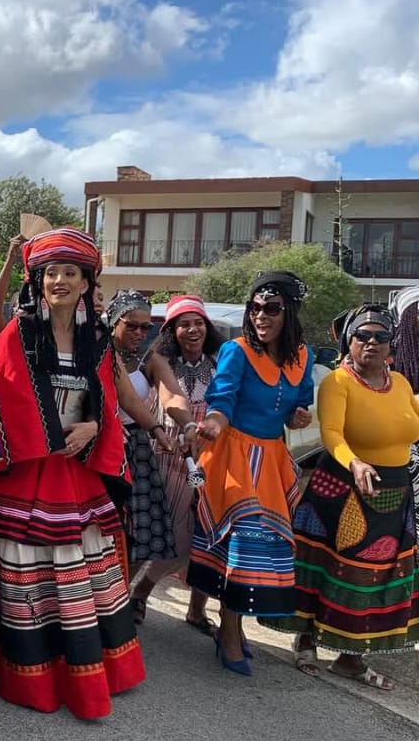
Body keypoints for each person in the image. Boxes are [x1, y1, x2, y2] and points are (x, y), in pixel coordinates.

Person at [0, 228, 145, 720]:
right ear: (38, 281)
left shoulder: (98, 340)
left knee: (76, 569)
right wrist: (49, 433)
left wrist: (93, 425)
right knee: (24, 563)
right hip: (28, 467)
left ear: (87, 282)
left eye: (70, 273)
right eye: (51, 273)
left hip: (77, 470)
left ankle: (82, 671)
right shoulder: (19, 333)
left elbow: (107, 396)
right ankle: (27, 671)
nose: (60, 281)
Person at [263, 306, 419, 686]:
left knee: (375, 576)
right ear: (349, 341)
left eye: (381, 336)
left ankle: (351, 658)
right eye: (363, 335)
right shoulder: (339, 381)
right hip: (343, 489)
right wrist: (356, 463)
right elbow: (331, 433)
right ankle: (306, 641)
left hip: (392, 494)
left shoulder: (399, 384)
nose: (372, 343)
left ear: (391, 344)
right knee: (326, 568)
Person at [189, 271, 314, 675]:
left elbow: (298, 405)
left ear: (289, 312)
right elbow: (222, 399)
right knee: (243, 546)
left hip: (271, 461)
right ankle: (229, 630)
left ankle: (232, 624)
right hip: (234, 456)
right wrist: (213, 422)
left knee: (256, 549)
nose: (261, 315)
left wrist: (297, 417)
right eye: (255, 308)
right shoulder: (237, 350)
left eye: (272, 308)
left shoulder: (303, 356)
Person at [127, 296, 223, 635]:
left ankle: (189, 608)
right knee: (155, 531)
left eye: (198, 323)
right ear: (171, 330)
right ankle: (130, 596)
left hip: (210, 458)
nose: (192, 330)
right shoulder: (158, 361)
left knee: (203, 534)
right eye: (184, 324)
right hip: (166, 453)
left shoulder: (221, 362)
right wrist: (184, 426)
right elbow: (168, 400)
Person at [107, 290, 190, 620]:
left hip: (136, 445)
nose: (140, 333)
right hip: (97, 443)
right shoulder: (95, 350)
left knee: (143, 527)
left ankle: (119, 596)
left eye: (146, 327)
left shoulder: (149, 359)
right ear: (114, 322)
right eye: (132, 325)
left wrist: (187, 423)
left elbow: (172, 395)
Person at [0, 234, 25, 344]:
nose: (24, 310)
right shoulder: (4, 336)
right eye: (20, 306)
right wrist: (10, 258)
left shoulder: (44, 338)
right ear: (12, 312)